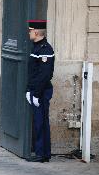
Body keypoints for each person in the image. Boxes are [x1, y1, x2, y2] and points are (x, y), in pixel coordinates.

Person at [25, 20, 55, 162]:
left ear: (36, 32)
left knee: (40, 123)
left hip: (41, 92)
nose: (29, 33)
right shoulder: (36, 47)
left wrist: (36, 93)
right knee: (38, 122)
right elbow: (33, 73)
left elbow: (45, 75)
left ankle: (42, 154)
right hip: (35, 91)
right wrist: (28, 90)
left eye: (30, 30)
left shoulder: (45, 49)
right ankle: (40, 152)